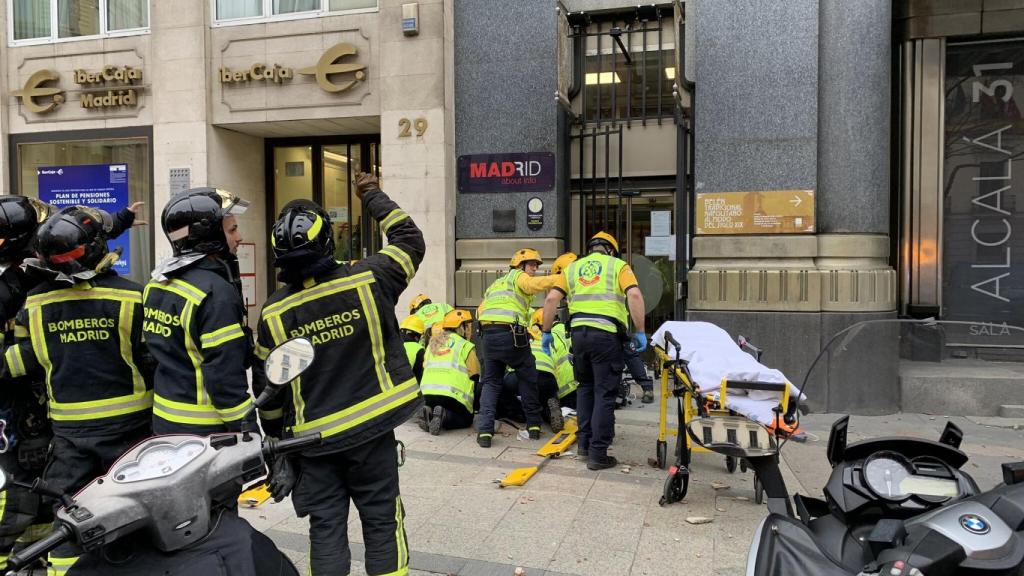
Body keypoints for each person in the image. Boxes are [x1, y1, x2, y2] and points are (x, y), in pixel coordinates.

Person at [253, 172, 423, 576]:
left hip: (314, 444)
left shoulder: (273, 312)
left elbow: (268, 392)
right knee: (382, 522)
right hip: (372, 434)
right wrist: (371, 194)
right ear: (327, 242)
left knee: (325, 528)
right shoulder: (370, 278)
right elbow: (409, 240)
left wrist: (279, 447)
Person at [2, 206, 154, 573]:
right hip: (130, 430)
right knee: (132, 510)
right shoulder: (134, 297)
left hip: (69, 435)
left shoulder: (34, 303)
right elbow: (153, 361)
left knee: (68, 519)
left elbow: (21, 362)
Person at [143, 188, 256, 436]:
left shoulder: (156, 284)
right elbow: (224, 376)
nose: (239, 237)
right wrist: (247, 429)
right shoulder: (215, 293)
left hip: (164, 421)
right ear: (209, 235)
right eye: (232, 230)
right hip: (206, 431)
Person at [541, 232, 646, 471]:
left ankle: (584, 446)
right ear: (612, 250)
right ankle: (598, 454)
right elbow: (634, 294)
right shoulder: (618, 265)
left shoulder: (572, 268)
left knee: (585, 389)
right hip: (606, 336)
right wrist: (640, 330)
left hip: (579, 336)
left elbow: (550, 300)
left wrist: (546, 331)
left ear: (590, 249)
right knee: (604, 393)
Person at [474, 249, 561, 447]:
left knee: (491, 383)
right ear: (519, 266)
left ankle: (485, 432)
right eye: (532, 265)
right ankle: (534, 426)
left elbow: (480, 311)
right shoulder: (518, 276)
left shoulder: (496, 284)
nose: (535, 269)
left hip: (488, 335)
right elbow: (532, 285)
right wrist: (561, 278)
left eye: (537, 265)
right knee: (527, 376)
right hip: (511, 335)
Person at [418, 309, 479, 436]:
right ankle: (444, 416)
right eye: (467, 326)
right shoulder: (465, 345)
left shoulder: (432, 344)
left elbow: (424, 368)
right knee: (466, 419)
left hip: (427, 394)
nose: (469, 329)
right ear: (460, 327)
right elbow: (475, 376)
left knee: (436, 406)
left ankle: (428, 411)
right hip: (451, 395)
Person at [400, 315, 426, 382]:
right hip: (405, 385)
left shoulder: (391, 343)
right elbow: (419, 377)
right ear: (417, 335)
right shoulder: (418, 349)